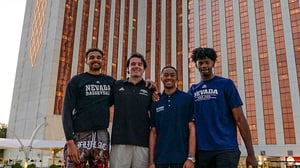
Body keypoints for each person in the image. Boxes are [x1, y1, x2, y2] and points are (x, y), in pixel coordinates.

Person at [188, 47, 258, 168]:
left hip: (226, 149)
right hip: (202, 151)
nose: (204, 65)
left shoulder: (226, 84)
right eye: (200, 63)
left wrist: (251, 153)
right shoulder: (193, 90)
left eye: (207, 62)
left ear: (213, 63)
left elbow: (240, 119)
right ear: (196, 65)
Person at [62, 48, 115, 168]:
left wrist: (148, 84)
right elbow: (66, 111)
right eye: (91, 57)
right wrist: (70, 141)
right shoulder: (76, 81)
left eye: (98, 57)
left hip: (101, 135)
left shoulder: (110, 82)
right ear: (86, 61)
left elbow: (125, 90)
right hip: (80, 135)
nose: (95, 60)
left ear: (102, 61)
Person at [109, 53, 154, 168]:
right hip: (120, 141)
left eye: (140, 64)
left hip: (142, 142)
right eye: (133, 64)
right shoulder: (117, 85)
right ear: (128, 68)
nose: (136, 66)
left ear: (144, 69)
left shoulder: (149, 88)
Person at [149, 66, 196, 168]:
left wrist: (191, 158)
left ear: (176, 78)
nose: (169, 77)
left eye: (172, 75)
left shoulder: (187, 99)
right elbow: (153, 132)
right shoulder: (156, 102)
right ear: (161, 78)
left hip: (182, 160)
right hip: (160, 160)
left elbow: (192, 128)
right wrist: (151, 162)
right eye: (166, 75)